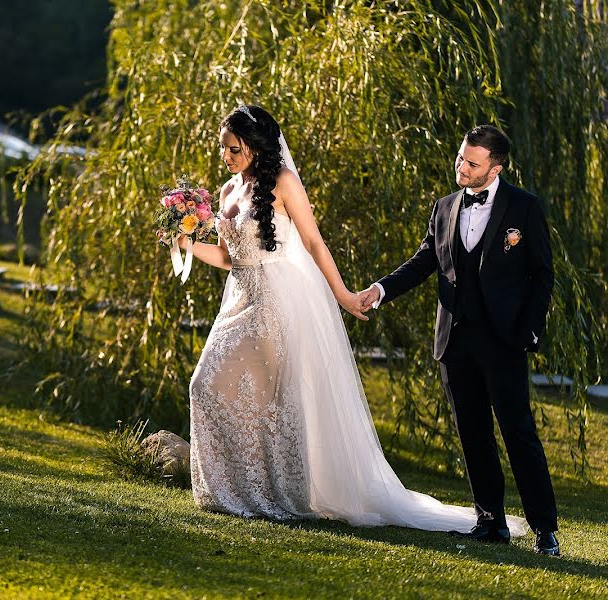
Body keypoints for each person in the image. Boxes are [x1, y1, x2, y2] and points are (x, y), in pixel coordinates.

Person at [181, 105, 527, 536]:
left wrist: (344, 295)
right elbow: (230, 257)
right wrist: (186, 243)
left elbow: (312, 241)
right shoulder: (228, 189)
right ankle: (237, 490)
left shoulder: (283, 183)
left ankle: (266, 494)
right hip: (237, 300)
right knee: (212, 388)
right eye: (223, 148)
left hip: (272, 305)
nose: (226, 156)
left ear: (255, 146)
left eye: (234, 148)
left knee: (255, 396)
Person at [358, 125, 559, 556]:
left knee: (518, 433)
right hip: (455, 342)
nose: (461, 167)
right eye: (460, 158)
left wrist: (529, 330)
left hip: (504, 341)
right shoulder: (444, 207)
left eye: (472, 163)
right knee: (472, 433)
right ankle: (490, 521)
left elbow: (542, 274)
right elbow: (424, 260)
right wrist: (381, 289)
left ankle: (544, 528)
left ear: (496, 167)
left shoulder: (524, 208)